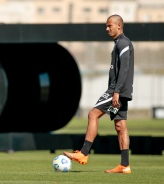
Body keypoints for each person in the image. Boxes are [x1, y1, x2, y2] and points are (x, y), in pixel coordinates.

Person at [63, 14, 134, 174]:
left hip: (117, 90)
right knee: (120, 126)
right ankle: (125, 165)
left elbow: (124, 69)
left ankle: (84, 153)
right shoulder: (119, 43)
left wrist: (116, 92)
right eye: (106, 26)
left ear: (119, 26)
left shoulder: (123, 43)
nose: (106, 28)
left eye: (110, 26)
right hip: (121, 90)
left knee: (92, 115)